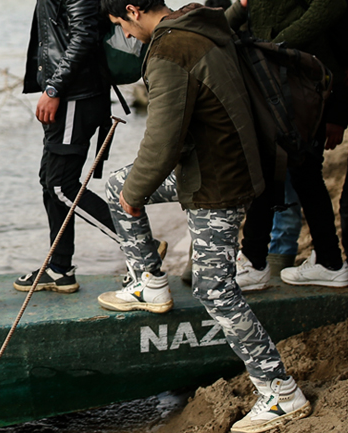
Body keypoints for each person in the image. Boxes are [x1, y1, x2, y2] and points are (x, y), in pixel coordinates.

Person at [96, 2, 311, 432]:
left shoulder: (169, 52)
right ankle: (150, 284)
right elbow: (223, 21)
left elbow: (162, 140)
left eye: (120, 26)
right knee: (117, 183)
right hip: (221, 164)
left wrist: (136, 197)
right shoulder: (196, 23)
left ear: (133, 11)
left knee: (216, 290)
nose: (126, 36)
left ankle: (280, 390)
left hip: (217, 181)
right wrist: (132, 189)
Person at [226, 0, 348, 290]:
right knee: (297, 174)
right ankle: (327, 261)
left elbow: (331, 8)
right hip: (278, 81)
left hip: (303, 84)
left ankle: (256, 262)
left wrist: (276, 45)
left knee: (281, 170)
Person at [13, 0, 121, 294]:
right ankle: (59, 269)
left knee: (61, 185)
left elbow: (84, 35)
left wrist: (54, 88)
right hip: (70, 95)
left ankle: (139, 243)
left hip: (76, 95)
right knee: (50, 182)